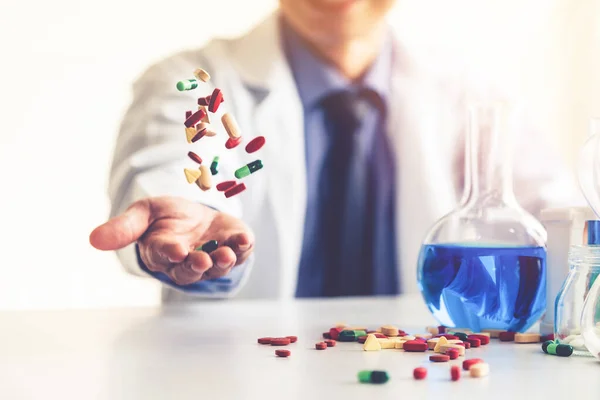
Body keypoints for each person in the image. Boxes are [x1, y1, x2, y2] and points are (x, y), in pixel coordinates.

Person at [89, 0, 578, 302]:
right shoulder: (194, 80)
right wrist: (190, 221)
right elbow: (174, 164)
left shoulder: (468, 91)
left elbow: (560, 213)